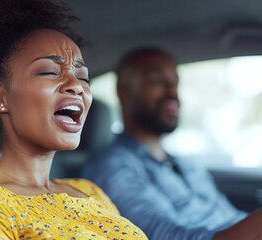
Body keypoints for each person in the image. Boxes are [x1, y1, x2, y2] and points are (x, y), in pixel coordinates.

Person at [0, 1, 148, 239]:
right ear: (0, 98)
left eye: (83, 78)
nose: (76, 86)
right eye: (49, 72)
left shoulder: (91, 192)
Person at [82, 46, 262, 240]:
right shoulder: (112, 166)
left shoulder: (189, 166)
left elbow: (231, 219)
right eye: (157, 80)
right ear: (124, 90)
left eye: (175, 81)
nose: (172, 90)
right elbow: (160, 236)